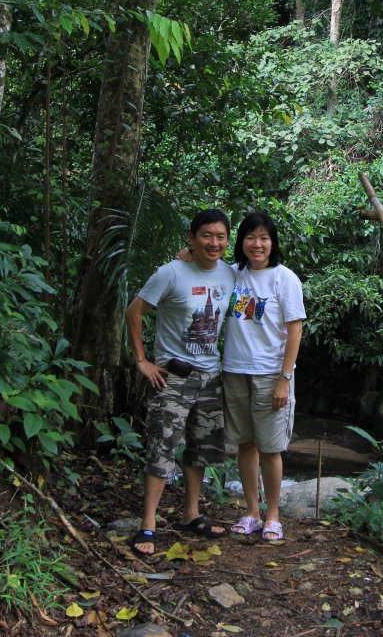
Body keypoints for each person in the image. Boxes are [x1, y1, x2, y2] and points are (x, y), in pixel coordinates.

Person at [125, 209, 236, 556]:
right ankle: (148, 523)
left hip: (210, 375)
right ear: (191, 237)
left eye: (220, 236)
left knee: (199, 448)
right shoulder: (170, 273)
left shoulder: (231, 274)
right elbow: (134, 311)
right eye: (206, 235)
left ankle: (191, 513)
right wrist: (142, 360)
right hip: (173, 376)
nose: (213, 242)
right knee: (162, 446)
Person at [222, 213, 305, 542]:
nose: (257, 244)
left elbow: (295, 331)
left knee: (271, 449)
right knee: (246, 443)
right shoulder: (232, 275)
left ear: (273, 243)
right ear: (242, 242)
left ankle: (273, 515)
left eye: (264, 238)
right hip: (235, 370)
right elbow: (199, 268)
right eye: (250, 237)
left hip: (271, 373)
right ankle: (252, 512)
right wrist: (186, 256)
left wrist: (284, 378)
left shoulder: (284, 279)